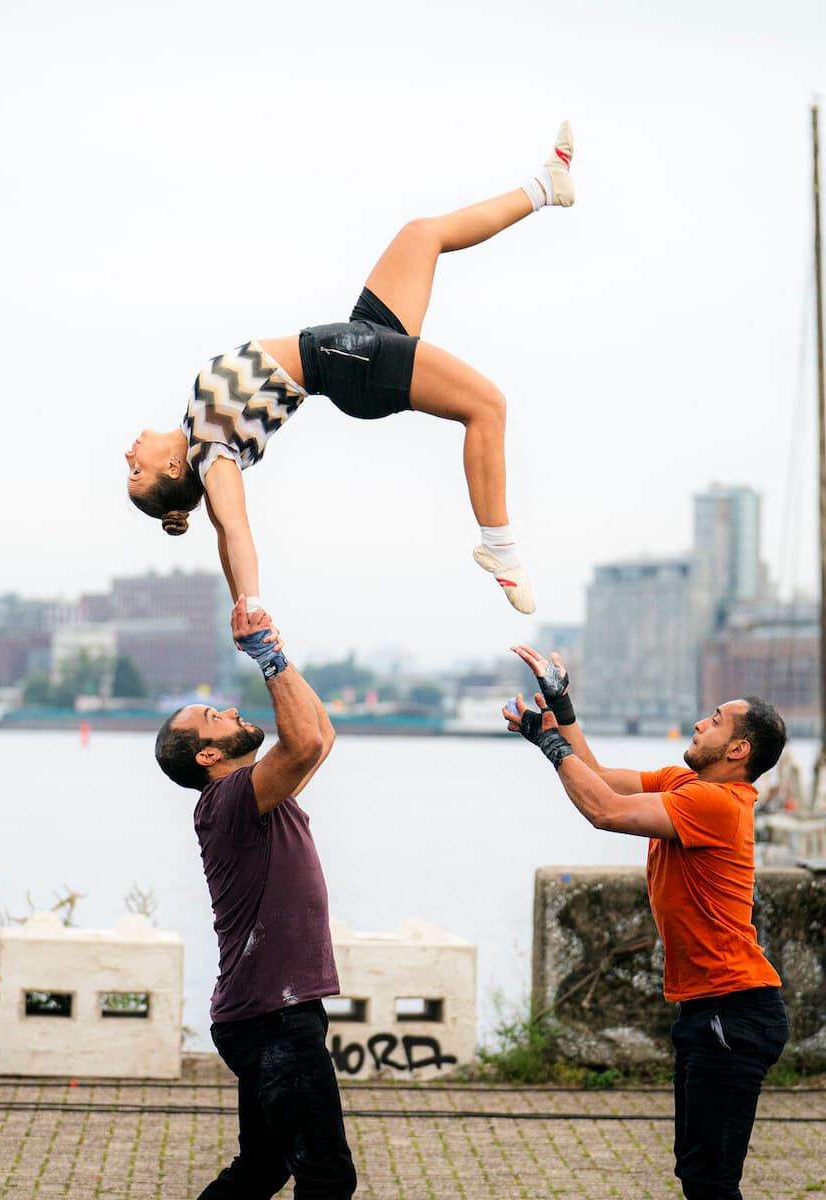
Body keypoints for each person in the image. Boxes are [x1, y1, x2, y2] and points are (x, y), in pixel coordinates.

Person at [125, 122, 579, 616]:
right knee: (488, 405)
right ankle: (501, 549)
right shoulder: (212, 453)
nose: (129, 453)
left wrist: (238, 597)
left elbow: (219, 536)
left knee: (421, 234)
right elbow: (235, 530)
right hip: (348, 363)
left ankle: (546, 185)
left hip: (351, 339)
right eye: (134, 470)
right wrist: (252, 607)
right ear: (171, 470)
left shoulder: (196, 427)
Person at [501, 644, 789, 1200]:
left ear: (738, 747)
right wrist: (562, 706)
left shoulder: (719, 804)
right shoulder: (687, 786)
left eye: (715, 720)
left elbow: (604, 812)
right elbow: (603, 780)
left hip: (734, 1010)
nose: (700, 722)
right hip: (710, 1009)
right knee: (698, 1176)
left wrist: (548, 739)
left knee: (710, 1181)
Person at [153, 598, 354, 1199]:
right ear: (208, 756)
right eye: (216, 716)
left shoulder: (258, 795)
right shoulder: (227, 803)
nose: (232, 709)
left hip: (271, 1012)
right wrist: (265, 654)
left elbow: (317, 737)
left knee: (264, 1168)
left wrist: (278, 651)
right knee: (326, 1178)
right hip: (271, 1018)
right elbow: (300, 746)